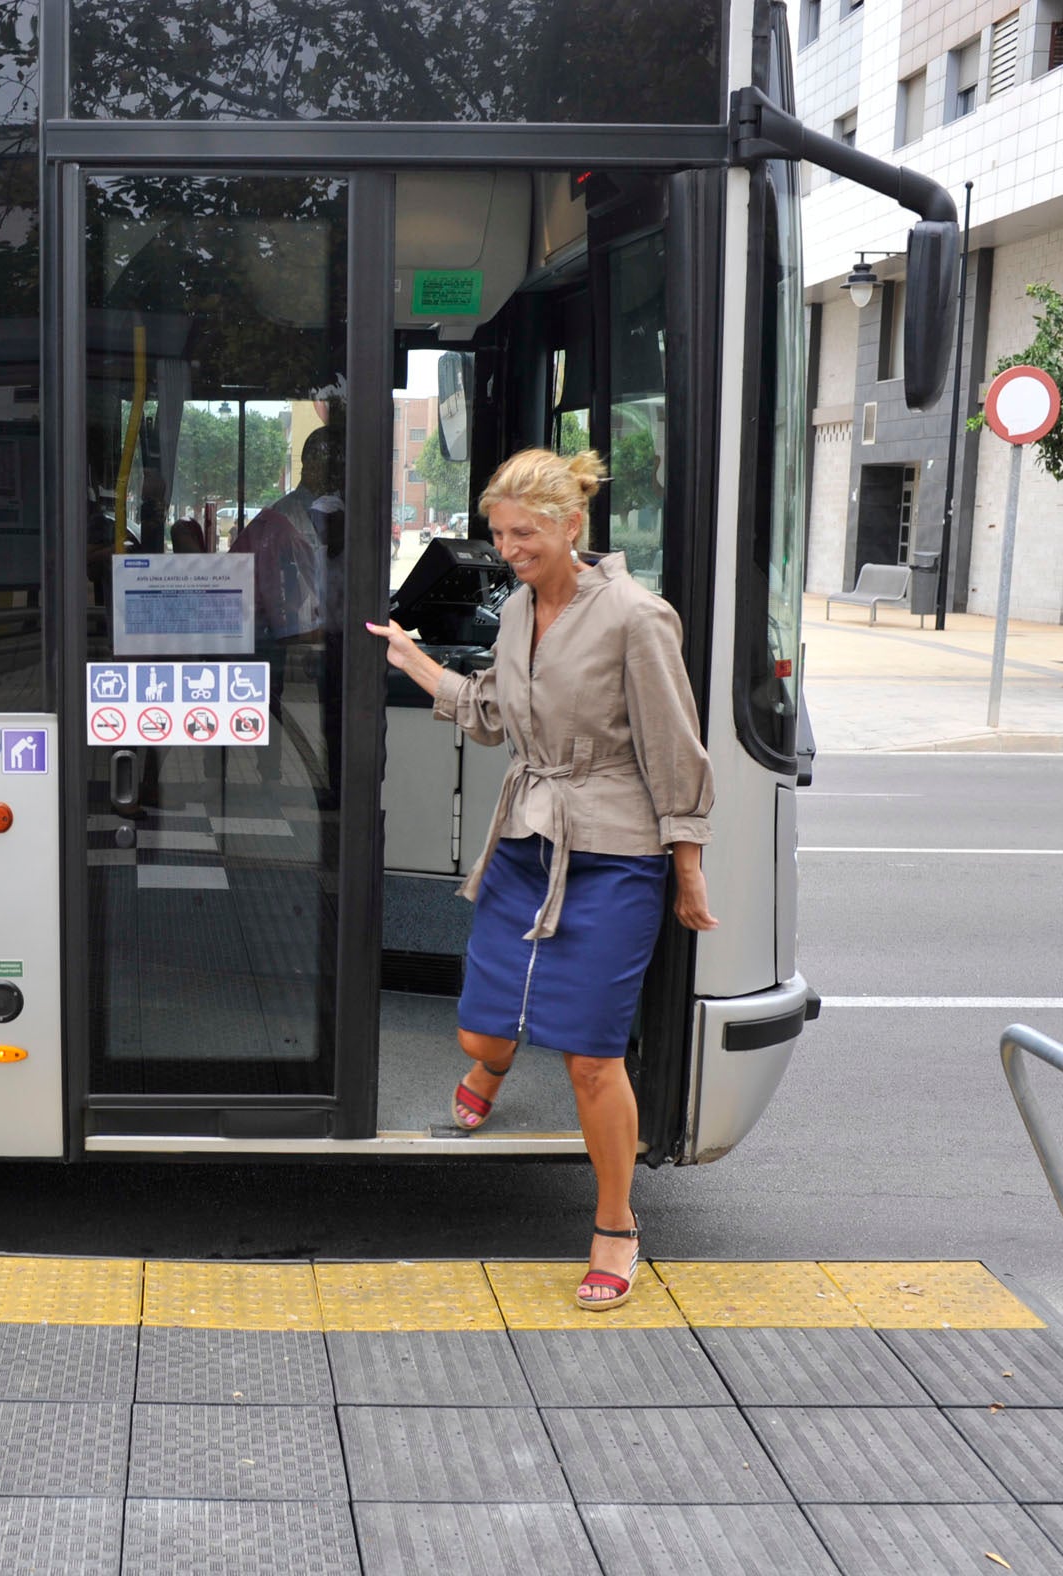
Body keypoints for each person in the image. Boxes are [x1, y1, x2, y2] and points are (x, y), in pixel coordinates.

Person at [365, 448, 714, 1312]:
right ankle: (492, 1067)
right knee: (481, 1032)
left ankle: (616, 1226)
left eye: (524, 532)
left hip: (614, 852)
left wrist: (688, 866)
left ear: (571, 525)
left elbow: (677, 749)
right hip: (526, 837)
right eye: (497, 532)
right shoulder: (519, 610)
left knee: (592, 1058)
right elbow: (492, 713)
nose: (508, 546)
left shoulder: (638, 617)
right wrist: (411, 660)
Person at [229, 423, 339, 640]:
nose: (338, 473)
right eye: (333, 464)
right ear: (310, 464)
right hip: (293, 638)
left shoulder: (338, 512)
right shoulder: (283, 518)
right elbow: (279, 600)